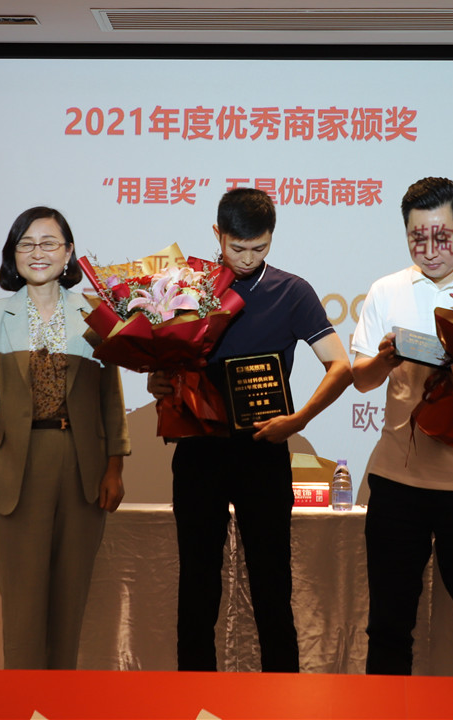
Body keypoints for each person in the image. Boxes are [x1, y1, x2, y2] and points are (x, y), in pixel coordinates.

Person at [148, 187, 353, 672]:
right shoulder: (186, 289)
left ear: (271, 238)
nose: (246, 258)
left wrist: (298, 419)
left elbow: (340, 365)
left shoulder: (292, 292)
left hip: (263, 448)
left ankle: (282, 695)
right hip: (198, 448)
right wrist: (158, 380)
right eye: (236, 247)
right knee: (197, 585)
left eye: (259, 248)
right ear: (216, 234)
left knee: (271, 583)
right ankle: (194, 695)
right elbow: (163, 364)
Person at [0, 206, 130, 669]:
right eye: (26, 244)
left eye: (49, 243)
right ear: (13, 254)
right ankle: (21, 698)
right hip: (16, 470)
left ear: (68, 252)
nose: (37, 252)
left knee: (70, 598)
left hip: (82, 468)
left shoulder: (95, 314)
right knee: (22, 602)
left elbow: (110, 397)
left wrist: (114, 467)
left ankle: (59, 696)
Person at [350, 176, 453, 677]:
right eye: (416, 237)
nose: (429, 249)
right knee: (387, 627)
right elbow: (361, 379)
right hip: (396, 483)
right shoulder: (386, 290)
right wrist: (383, 360)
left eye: (441, 236)